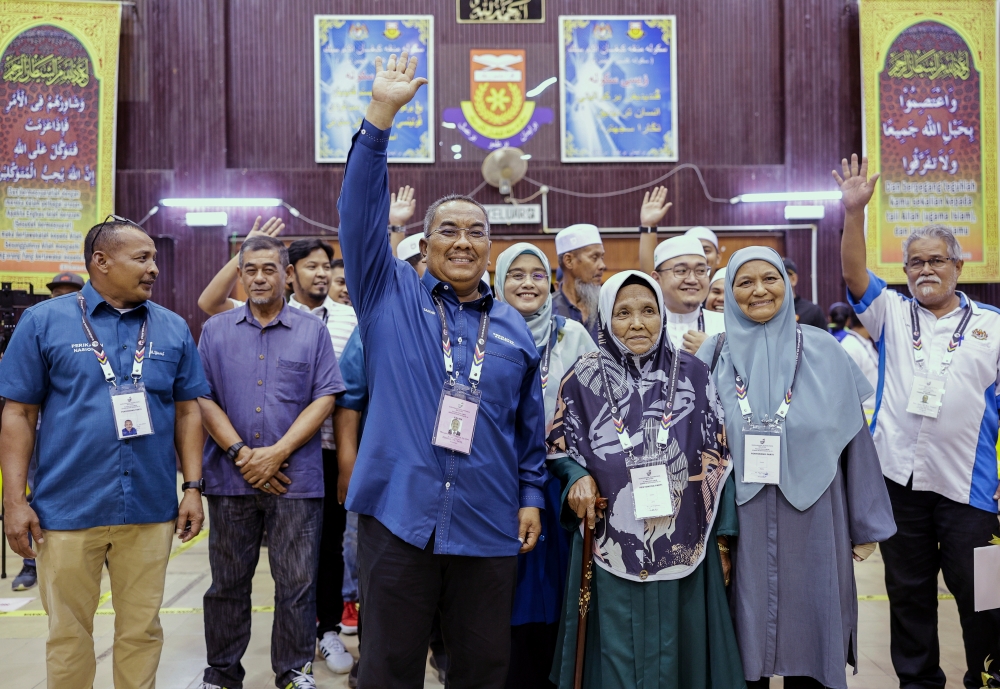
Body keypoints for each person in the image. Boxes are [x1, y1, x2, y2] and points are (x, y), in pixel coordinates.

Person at [337, 51, 546, 688]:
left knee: (482, 669)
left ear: (491, 247)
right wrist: (380, 117)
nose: (462, 240)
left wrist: (532, 494)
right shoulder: (387, 295)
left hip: (486, 523)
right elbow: (359, 214)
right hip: (399, 519)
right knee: (389, 668)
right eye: (447, 230)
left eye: (475, 232)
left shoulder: (512, 329)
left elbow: (526, 430)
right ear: (424, 246)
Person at [0, 215, 210, 689]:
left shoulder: (172, 328)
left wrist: (193, 487)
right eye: (142, 258)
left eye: (154, 258)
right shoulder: (43, 323)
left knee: (142, 631)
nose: (154, 268)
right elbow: (18, 414)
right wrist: (15, 502)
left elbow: (188, 411)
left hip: (150, 509)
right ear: (101, 262)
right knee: (68, 635)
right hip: (68, 509)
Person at [696, 246, 896, 689]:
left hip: (815, 517)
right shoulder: (712, 354)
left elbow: (853, 439)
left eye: (769, 279)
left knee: (813, 633)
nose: (758, 290)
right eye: (743, 282)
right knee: (741, 640)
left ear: (787, 285)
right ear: (728, 292)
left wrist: (864, 525)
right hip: (737, 521)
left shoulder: (825, 350)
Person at [836, 153, 1000, 688]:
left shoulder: (993, 327)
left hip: (972, 489)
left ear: (958, 266)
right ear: (905, 272)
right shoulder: (890, 313)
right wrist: (854, 212)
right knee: (907, 594)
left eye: (936, 260)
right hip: (899, 484)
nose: (925, 270)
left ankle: (990, 677)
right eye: (915, 263)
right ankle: (918, 683)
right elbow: (854, 271)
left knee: (987, 595)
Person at [546, 269, 743, 689]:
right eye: (623, 313)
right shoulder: (582, 376)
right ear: (605, 318)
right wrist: (576, 475)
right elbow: (560, 446)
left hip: (685, 540)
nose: (637, 322)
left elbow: (720, 457)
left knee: (683, 653)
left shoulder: (695, 372)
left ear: (662, 316)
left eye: (648, 311)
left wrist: (724, 539)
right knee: (614, 655)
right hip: (611, 539)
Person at [196, 235, 344, 689]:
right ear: (240, 276)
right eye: (251, 270)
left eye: (269, 269)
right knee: (227, 586)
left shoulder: (312, 330)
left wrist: (277, 453)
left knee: (297, 585)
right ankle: (221, 674)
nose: (260, 277)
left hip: (295, 482)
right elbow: (202, 396)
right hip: (230, 479)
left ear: (286, 275)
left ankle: (294, 672)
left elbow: (326, 397)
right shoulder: (215, 331)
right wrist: (242, 454)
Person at [493, 243, 597, 689]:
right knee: (505, 592)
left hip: (559, 481)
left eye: (537, 275)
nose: (527, 283)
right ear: (498, 283)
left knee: (559, 590)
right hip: (498, 481)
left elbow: (596, 406)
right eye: (515, 274)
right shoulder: (483, 332)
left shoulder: (572, 335)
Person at [650, 234, 725, 354]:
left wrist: (714, 352)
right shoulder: (643, 327)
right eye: (681, 271)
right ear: (657, 279)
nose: (692, 280)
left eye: (700, 271)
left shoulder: (726, 326)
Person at [552, 223, 606, 340]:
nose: (602, 265)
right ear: (569, 260)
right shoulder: (548, 311)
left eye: (602, 257)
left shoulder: (608, 307)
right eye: (594, 257)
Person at [839, 311, 878, 414]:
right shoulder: (850, 347)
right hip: (863, 418)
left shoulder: (865, 342)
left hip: (872, 414)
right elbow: (845, 389)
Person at [781, 257, 827, 330]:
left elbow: (824, 340)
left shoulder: (812, 311)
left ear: (793, 279)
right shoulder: (768, 312)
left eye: (781, 276)